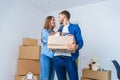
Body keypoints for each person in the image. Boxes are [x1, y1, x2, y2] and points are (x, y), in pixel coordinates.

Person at [54, 10, 84, 80]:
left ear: (64, 16)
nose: (58, 19)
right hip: (57, 58)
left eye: (59, 17)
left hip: (69, 58)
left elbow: (81, 42)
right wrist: (55, 33)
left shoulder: (75, 27)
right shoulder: (59, 29)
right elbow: (53, 43)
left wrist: (76, 46)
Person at [40, 16, 55, 80]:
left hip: (53, 58)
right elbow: (50, 39)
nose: (54, 21)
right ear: (48, 21)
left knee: (51, 78)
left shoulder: (53, 32)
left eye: (54, 20)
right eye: (52, 20)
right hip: (45, 57)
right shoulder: (44, 31)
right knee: (45, 78)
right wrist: (56, 33)